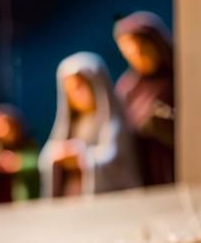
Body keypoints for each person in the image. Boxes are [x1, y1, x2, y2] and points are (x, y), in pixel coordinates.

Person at [39, 52, 142, 197]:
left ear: (96, 85)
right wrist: (58, 154)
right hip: (73, 193)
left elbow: (115, 159)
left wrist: (82, 157)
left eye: (80, 87)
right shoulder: (70, 124)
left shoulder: (112, 122)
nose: (76, 95)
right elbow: (47, 156)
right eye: (70, 91)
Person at [114, 12, 175, 186]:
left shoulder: (178, 79)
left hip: (172, 163)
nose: (137, 54)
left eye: (142, 47)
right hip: (141, 167)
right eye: (129, 50)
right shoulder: (128, 87)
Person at [0, 104, 40, 203]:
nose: (3, 131)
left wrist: (18, 163)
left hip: (24, 204)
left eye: (6, 126)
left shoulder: (27, 145)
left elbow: (38, 163)